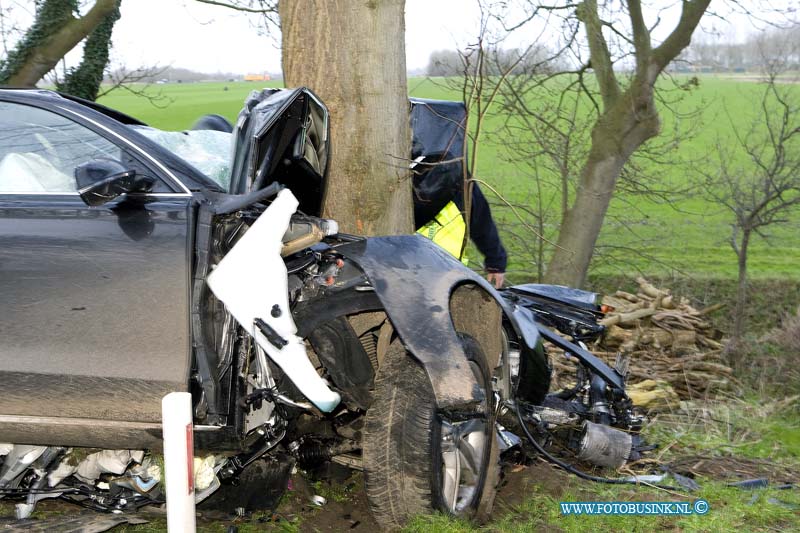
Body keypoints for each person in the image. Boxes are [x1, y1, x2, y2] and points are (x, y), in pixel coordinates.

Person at [412, 152, 507, 289]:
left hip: (441, 271)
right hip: (445, 270)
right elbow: (481, 219)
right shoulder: (457, 174)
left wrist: (495, 261)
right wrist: (496, 262)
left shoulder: (457, 176)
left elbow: (480, 219)